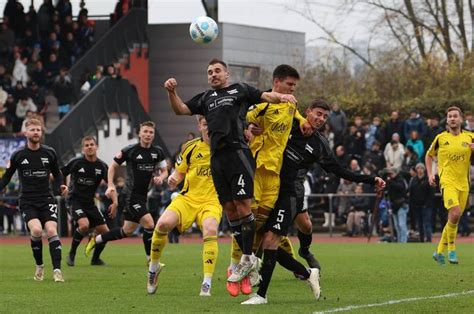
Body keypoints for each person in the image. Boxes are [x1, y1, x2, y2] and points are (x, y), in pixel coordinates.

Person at [164, 58, 297, 283]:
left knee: (244, 206)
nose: (213, 75)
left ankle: (248, 259)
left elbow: (267, 96)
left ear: (227, 74)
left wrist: (282, 96)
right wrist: (172, 92)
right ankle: (248, 259)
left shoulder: (240, 90)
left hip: (238, 154)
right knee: (230, 209)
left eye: (217, 71)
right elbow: (181, 110)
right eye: (209, 72)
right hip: (217, 160)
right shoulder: (205, 98)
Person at [242, 99, 386, 305]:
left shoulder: (320, 144)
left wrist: (371, 180)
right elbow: (261, 120)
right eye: (318, 113)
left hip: (290, 194)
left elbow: (340, 170)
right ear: (307, 112)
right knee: (264, 240)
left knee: (272, 240)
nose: (320, 119)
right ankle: (307, 273)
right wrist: (251, 127)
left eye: (325, 116)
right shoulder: (289, 124)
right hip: (269, 189)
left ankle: (261, 295)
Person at [227, 64, 310, 296]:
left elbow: (300, 118)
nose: (293, 89)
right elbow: (242, 119)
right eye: (289, 85)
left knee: (261, 225)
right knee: (248, 221)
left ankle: (250, 264)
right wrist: (248, 128)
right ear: (277, 83)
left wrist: (304, 123)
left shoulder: (291, 106)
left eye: (295, 86)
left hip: (274, 174)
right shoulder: (261, 104)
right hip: (256, 169)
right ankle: (236, 264)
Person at [147, 116, 222, 297]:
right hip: (187, 199)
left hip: (212, 201)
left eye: (211, 125)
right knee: (162, 224)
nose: (208, 129)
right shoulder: (190, 147)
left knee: (210, 230)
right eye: (205, 125)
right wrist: (173, 179)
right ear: (199, 125)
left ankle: (206, 283)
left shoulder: (225, 147)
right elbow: (178, 174)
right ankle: (153, 268)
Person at [85, 121, 168, 263]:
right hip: (130, 195)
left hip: (143, 196)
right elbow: (112, 167)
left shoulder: (157, 152)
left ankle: (96, 239)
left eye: (151, 132)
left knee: (127, 230)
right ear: (139, 133)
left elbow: (165, 171)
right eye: (145, 132)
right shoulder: (130, 150)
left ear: (153, 135)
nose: (148, 134)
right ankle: (151, 260)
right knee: (149, 224)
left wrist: (161, 177)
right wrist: (110, 185)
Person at [0, 118, 68, 282]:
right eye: (32, 130)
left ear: (41, 132)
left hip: (47, 199)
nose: (36, 132)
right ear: (25, 133)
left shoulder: (49, 153)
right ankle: (39, 266)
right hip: (27, 201)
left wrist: (61, 186)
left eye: (38, 129)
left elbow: (57, 174)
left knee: (51, 231)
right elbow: (7, 177)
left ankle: (57, 271)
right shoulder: (18, 155)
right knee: (37, 231)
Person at [427, 106, 474, 265]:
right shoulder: (440, 138)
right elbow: (429, 156)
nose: (452, 118)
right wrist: (430, 174)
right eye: (450, 116)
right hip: (447, 181)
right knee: (455, 212)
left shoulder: (470, 137)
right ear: (447, 120)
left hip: (464, 183)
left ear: (461, 119)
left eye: (455, 116)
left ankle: (439, 251)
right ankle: (452, 249)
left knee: (455, 217)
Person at [61, 136, 118, 266]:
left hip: (89, 203)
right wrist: (61, 186)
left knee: (105, 233)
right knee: (84, 225)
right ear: (83, 149)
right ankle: (72, 253)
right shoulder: (76, 162)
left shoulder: (102, 166)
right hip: (73, 200)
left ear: (96, 146)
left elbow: (111, 185)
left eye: (91, 144)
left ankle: (95, 259)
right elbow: (60, 173)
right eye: (86, 145)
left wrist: (115, 202)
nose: (89, 147)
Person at [408, 163, 434, 242]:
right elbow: (411, 193)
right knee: (419, 224)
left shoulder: (428, 179)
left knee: (427, 223)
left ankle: (429, 239)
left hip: (426, 206)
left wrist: (428, 204)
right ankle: (421, 239)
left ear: (424, 169)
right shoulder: (413, 180)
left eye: (421, 168)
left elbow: (431, 194)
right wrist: (412, 204)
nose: (419, 170)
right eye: (418, 168)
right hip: (416, 205)